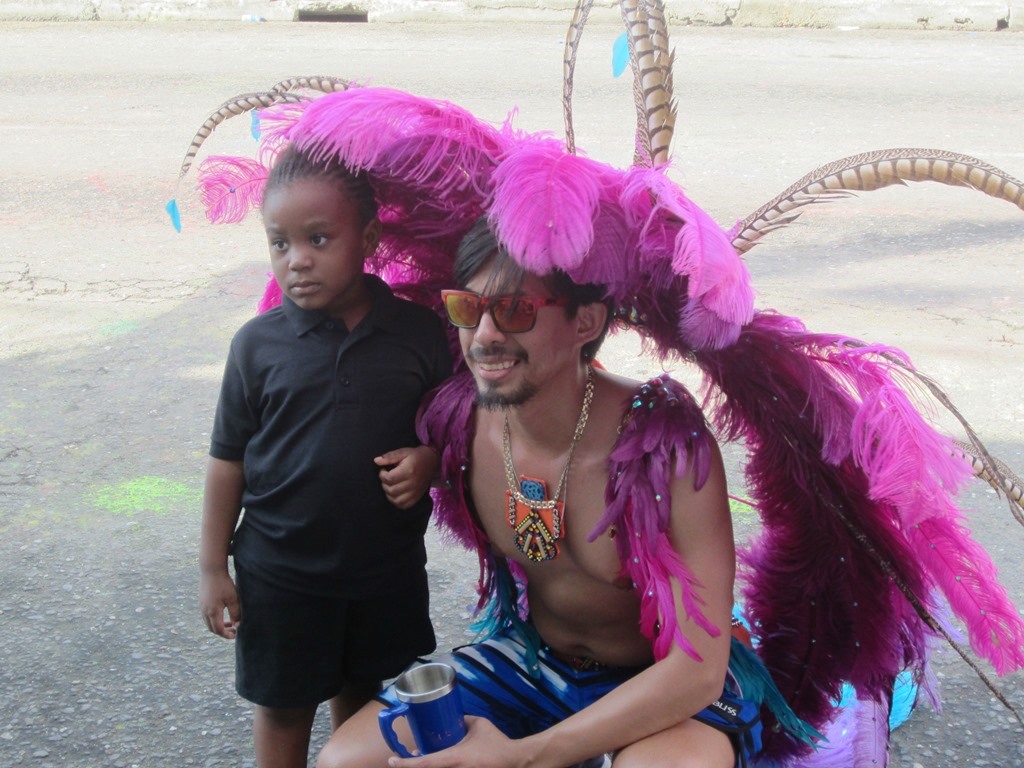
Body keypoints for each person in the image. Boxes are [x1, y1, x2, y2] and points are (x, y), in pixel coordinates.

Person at [316, 217, 755, 768]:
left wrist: (522, 757)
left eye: (515, 310)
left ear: (586, 321)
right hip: (534, 661)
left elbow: (699, 668)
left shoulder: (663, 447)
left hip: (663, 678)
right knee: (346, 762)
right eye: (466, 309)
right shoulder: (458, 425)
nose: (486, 336)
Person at [198, 144, 453, 768]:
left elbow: (457, 427)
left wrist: (430, 462)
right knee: (282, 712)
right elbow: (226, 459)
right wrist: (211, 567)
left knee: (367, 712)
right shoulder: (256, 347)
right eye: (279, 243)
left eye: (318, 238)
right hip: (280, 577)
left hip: (382, 575)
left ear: (366, 238)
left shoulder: (420, 335)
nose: (297, 261)